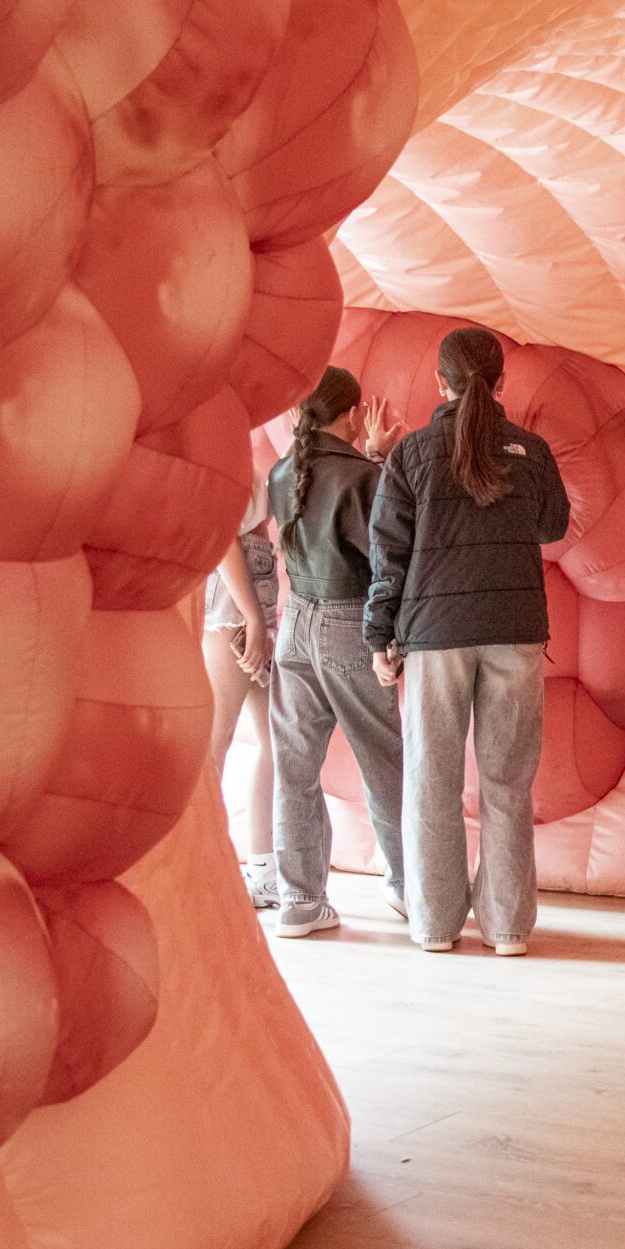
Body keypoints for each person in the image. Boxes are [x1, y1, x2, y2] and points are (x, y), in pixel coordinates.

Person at [367, 326, 570, 957]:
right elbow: (553, 524)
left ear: (440, 383)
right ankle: (508, 929)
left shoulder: (411, 455)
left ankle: (434, 926)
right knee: (508, 783)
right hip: (515, 633)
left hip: (435, 637)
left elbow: (388, 556)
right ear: (502, 382)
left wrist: (380, 636)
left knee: (432, 780)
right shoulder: (532, 452)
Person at [267, 367, 406, 938]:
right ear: (350, 416)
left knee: (294, 767)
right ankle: (408, 885)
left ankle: (299, 899)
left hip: (293, 621)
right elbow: (383, 563)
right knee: (385, 763)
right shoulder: (363, 479)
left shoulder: (281, 471)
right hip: (350, 623)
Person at [203, 483, 279, 907]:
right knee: (218, 739)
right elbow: (222, 535)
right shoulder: (226, 447)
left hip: (254, 586)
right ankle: (204, 864)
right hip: (239, 592)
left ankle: (264, 868)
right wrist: (251, 616)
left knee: (275, 739)